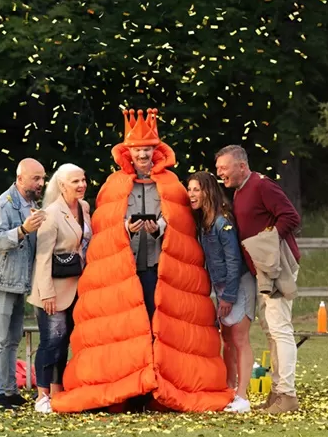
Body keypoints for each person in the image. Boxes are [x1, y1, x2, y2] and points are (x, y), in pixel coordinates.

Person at [50, 108, 234, 413]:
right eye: (137, 150)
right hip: (124, 272)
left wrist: (160, 227)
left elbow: (182, 224)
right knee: (124, 333)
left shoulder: (173, 186)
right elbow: (103, 225)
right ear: (128, 153)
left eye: (147, 149)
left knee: (158, 330)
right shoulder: (113, 185)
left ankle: (158, 389)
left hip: (159, 270)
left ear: (155, 151)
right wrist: (125, 227)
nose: (143, 155)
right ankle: (127, 392)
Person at [215, 145, 302, 415]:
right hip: (261, 269)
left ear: (241, 166)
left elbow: (291, 217)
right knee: (270, 331)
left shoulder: (262, 186)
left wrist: (267, 241)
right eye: (218, 169)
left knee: (280, 328)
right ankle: (277, 392)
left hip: (275, 265)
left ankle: (287, 394)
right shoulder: (240, 192)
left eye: (224, 168)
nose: (221, 173)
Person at [0, 158, 47, 410]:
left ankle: (10, 390)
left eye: (42, 178)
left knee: (13, 338)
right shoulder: (2, 206)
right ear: (20, 179)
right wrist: (22, 230)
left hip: (19, 283)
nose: (41, 183)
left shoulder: (32, 204)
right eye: (36, 178)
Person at [186, 171, 258, 413]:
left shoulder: (221, 222)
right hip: (222, 287)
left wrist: (228, 296)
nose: (191, 194)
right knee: (226, 340)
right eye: (189, 190)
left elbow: (234, 260)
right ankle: (230, 388)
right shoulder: (204, 222)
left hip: (237, 285)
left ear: (208, 191)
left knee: (239, 340)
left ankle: (243, 396)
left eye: (196, 189)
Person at [27, 163, 92, 413]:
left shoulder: (84, 208)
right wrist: (47, 294)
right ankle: (42, 394)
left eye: (83, 180)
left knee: (66, 340)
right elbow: (43, 256)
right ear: (62, 185)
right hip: (53, 288)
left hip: (78, 285)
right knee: (51, 341)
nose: (81, 185)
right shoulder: (51, 214)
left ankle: (58, 391)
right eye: (75, 181)